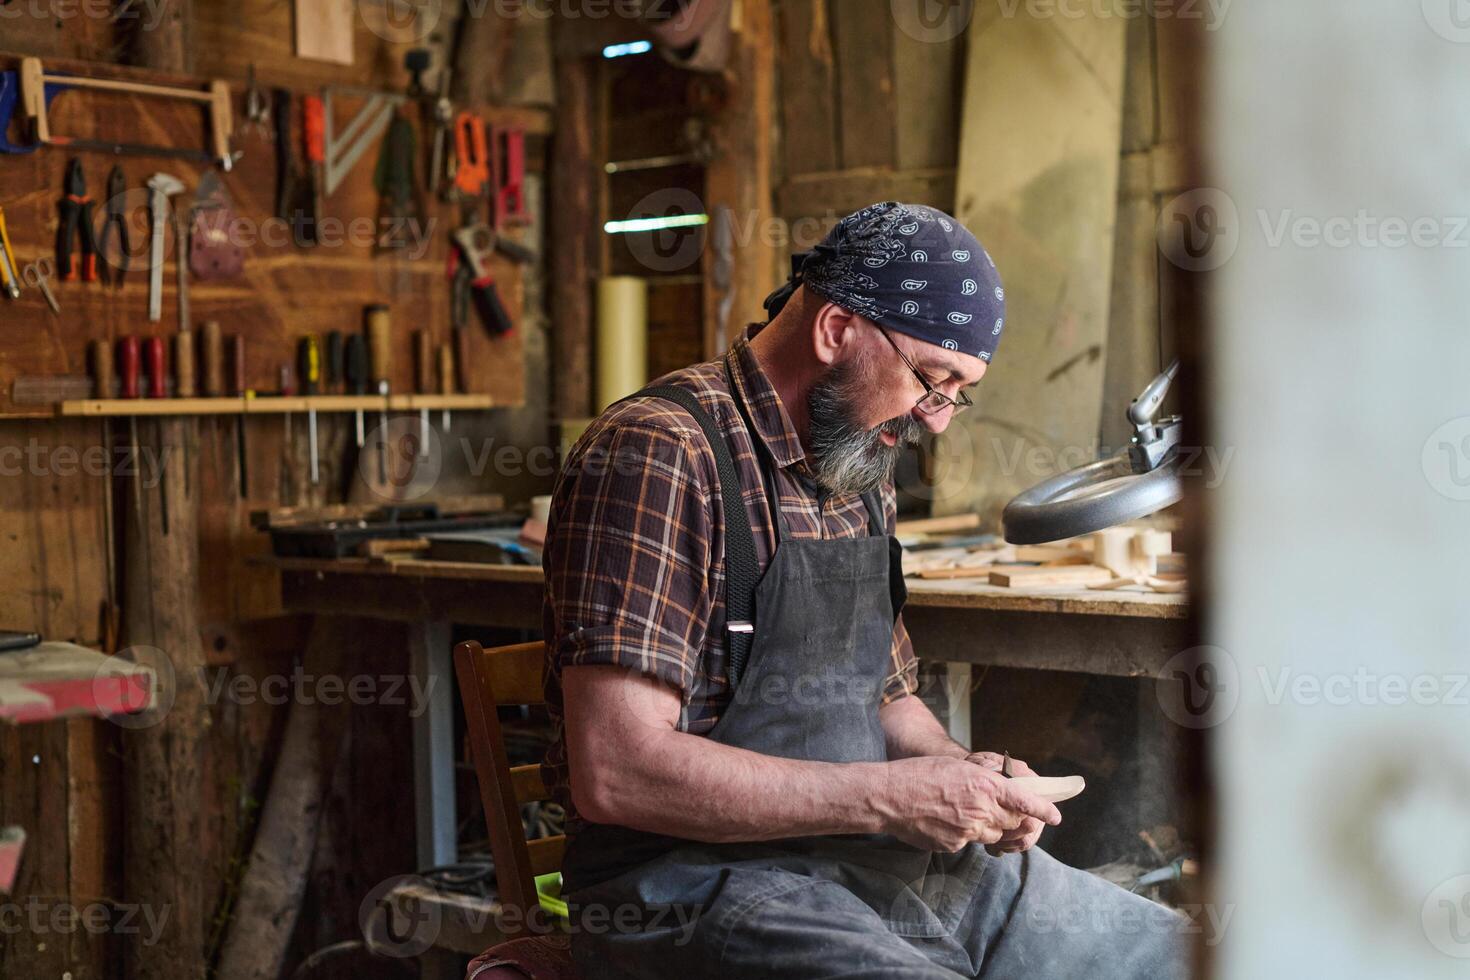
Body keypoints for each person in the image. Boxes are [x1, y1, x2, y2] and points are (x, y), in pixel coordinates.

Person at [539, 202, 1189, 978]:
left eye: (958, 391)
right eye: (932, 380)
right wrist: (891, 799)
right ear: (836, 330)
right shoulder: (659, 452)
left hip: (865, 863)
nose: (938, 420)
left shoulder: (854, 460)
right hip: (691, 888)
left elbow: (886, 701)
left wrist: (965, 779)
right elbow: (617, 770)